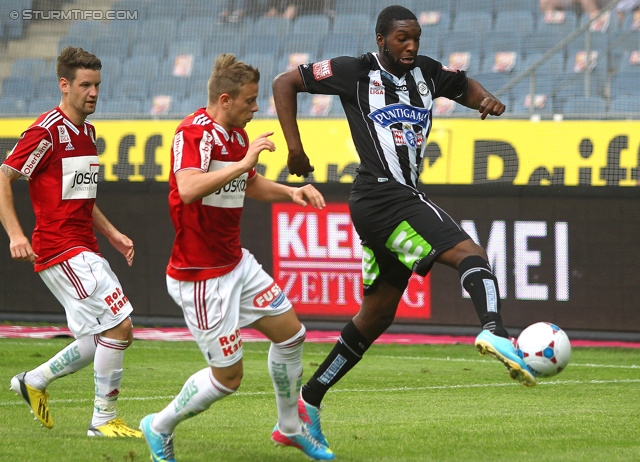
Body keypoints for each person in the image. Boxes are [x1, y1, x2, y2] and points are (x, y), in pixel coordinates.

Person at [272, 4, 537, 451]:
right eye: (401, 38)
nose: (411, 45)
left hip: (389, 199)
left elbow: (462, 84)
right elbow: (286, 82)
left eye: (415, 37)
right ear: (381, 40)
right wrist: (295, 152)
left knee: (376, 315)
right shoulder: (353, 71)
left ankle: (307, 404)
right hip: (383, 194)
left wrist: (485, 98)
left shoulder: (427, 73)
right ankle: (495, 330)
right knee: (470, 254)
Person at [138, 53, 334, 462]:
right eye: (249, 100)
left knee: (291, 334)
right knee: (228, 379)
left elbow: (250, 182)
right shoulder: (193, 133)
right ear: (225, 99)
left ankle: (289, 427)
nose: (256, 107)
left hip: (235, 263)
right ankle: (158, 426)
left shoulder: (236, 136)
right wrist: (245, 163)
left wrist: (291, 192)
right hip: (199, 276)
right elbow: (189, 187)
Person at [0, 47, 141, 437]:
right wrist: (15, 233)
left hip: (83, 246)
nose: (93, 92)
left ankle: (34, 380)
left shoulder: (87, 132)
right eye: (85, 85)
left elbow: (81, 196)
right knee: (121, 325)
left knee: (104, 334)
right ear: (65, 85)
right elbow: (3, 176)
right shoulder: (45, 131)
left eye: (97, 84)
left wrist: (111, 232)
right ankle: (103, 420)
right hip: (61, 248)